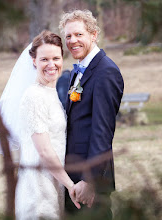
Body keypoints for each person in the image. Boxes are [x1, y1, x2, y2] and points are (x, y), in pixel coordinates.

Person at [0, 30, 90, 219]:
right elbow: (44, 151)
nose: (51, 64)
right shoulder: (33, 97)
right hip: (38, 189)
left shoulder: (49, 92)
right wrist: (71, 186)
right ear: (34, 61)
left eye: (56, 58)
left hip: (53, 183)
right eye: (44, 59)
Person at [59, 9, 124, 219]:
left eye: (79, 34)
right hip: (72, 176)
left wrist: (89, 181)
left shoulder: (106, 72)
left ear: (94, 35)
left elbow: (102, 132)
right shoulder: (78, 71)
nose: (72, 40)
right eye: (68, 36)